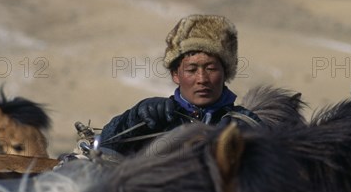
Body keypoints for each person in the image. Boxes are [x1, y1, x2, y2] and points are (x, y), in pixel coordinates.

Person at [100, 14, 262, 155]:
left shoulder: (248, 124)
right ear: (175, 75)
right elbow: (102, 151)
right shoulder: (151, 118)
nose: (202, 79)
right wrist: (132, 119)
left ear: (225, 73)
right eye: (191, 70)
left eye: (211, 69)